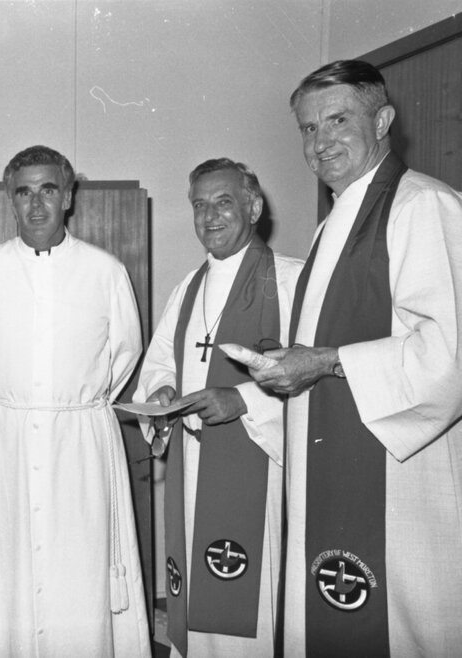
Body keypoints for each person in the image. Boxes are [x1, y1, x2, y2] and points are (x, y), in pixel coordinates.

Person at [251, 60, 462, 657]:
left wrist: (321, 363)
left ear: (384, 119)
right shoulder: (330, 226)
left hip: (398, 479)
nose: (320, 142)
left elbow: (449, 355)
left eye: (339, 120)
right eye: (308, 128)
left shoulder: (424, 205)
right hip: (328, 465)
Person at [0, 145, 151, 657]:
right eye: (24, 191)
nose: (36, 204)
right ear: (11, 200)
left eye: (48, 189)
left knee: (77, 571)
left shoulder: (105, 271)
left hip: (78, 440)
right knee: (3, 575)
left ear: (68, 195)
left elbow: (126, 351)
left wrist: (80, 402)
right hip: (1, 443)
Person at [133, 159, 302, 656]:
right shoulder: (189, 287)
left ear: (253, 206)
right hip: (192, 465)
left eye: (223, 202)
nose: (209, 216)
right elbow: (160, 360)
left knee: (256, 605)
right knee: (197, 594)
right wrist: (163, 392)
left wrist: (244, 400)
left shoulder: (293, 282)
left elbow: (319, 380)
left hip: (262, 469)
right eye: (199, 205)